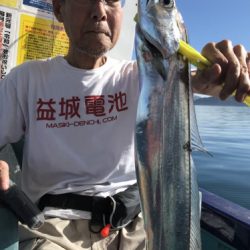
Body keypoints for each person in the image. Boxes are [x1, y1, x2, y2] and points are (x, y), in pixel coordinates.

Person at [0, 0, 250, 249]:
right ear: (59, 9)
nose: (99, 11)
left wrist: (223, 74)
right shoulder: (26, 80)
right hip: (55, 231)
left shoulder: (140, 76)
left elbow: (195, 82)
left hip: (140, 224)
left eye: (112, 1)